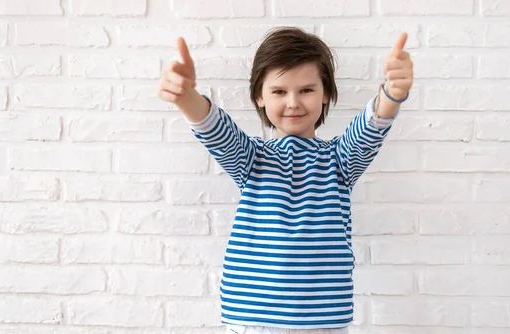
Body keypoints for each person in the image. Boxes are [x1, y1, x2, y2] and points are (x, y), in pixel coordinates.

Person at [158, 27, 413, 334]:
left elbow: (369, 130)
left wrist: (391, 95)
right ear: (260, 97)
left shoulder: (339, 160)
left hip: (323, 323)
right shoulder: (251, 159)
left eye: (306, 90)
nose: (293, 102)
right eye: (279, 91)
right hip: (252, 321)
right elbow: (216, 131)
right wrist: (187, 98)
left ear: (326, 95)